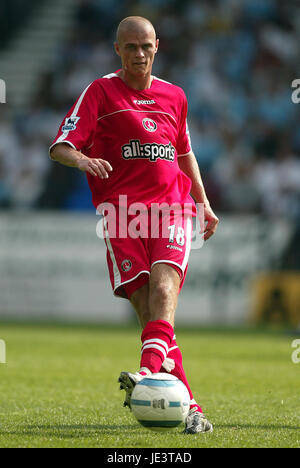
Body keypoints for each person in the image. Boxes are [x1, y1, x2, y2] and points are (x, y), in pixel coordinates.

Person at [49, 16, 219, 434]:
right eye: (130, 47)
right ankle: (191, 408)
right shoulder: (101, 91)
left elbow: (184, 153)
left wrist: (203, 201)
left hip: (171, 210)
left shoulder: (174, 95)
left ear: (157, 46)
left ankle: (145, 375)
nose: (139, 54)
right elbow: (60, 146)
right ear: (117, 49)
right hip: (122, 214)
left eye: (145, 46)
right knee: (149, 315)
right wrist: (83, 159)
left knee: (164, 291)